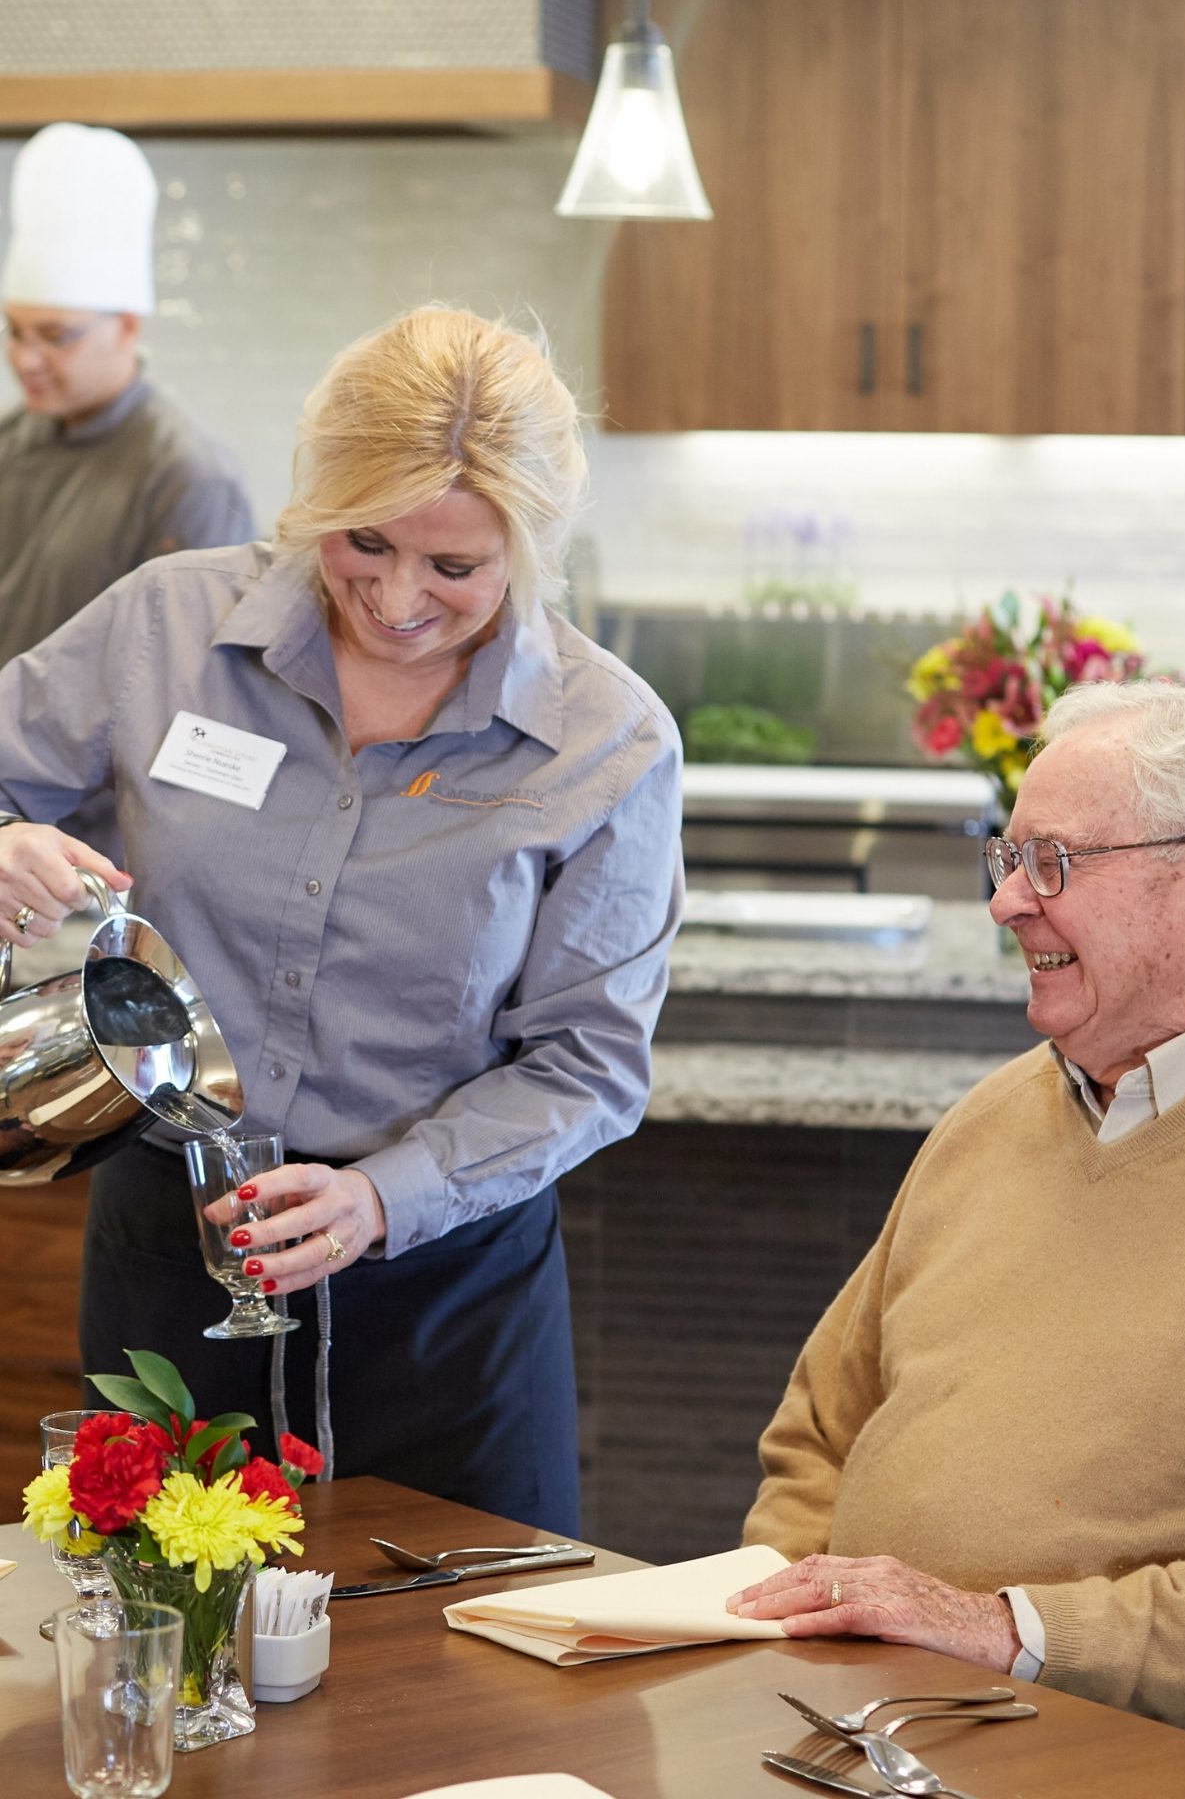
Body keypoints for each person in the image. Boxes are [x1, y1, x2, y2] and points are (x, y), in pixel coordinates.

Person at [0, 305, 684, 1537]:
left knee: (461, 1699)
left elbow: (590, 1064)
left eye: (457, 569)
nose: (398, 597)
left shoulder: (609, 738)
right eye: (363, 541)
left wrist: (383, 1198)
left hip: (443, 1294)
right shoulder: (165, 628)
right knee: (163, 1658)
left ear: (530, 551)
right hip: (172, 1251)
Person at [729, 678, 1185, 1732]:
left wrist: (1004, 1629)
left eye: (1055, 863)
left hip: (1098, 1752)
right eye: (1008, 858)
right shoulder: (992, 1117)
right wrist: (786, 1619)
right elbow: (818, 1430)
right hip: (854, 1719)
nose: (1005, 903)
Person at [0, 122, 255, 665]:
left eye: (55, 336)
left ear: (127, 328)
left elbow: (195, 677)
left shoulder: (188, 480)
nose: (26, 359)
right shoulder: (10, 439)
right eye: (15, 331)